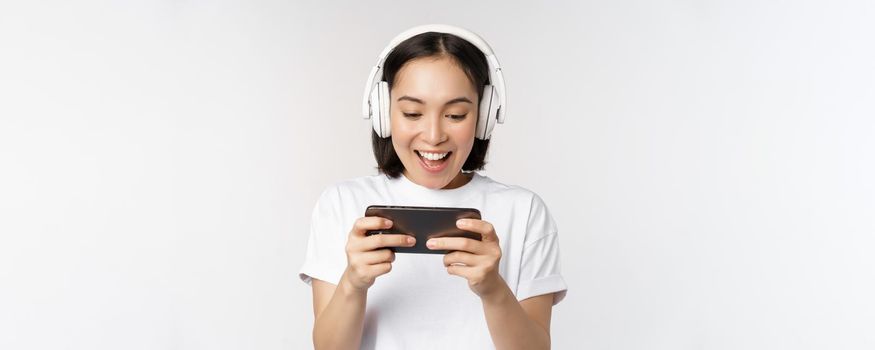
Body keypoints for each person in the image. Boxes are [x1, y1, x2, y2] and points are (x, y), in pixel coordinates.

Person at [299, 24, 567, 350]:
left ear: (483, 118)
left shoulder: (524, 212)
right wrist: (353, 284)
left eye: (455, 115)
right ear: (384, 114)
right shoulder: (341, 203)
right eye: (412, 112)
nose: (434, 135)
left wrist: (493, 289)